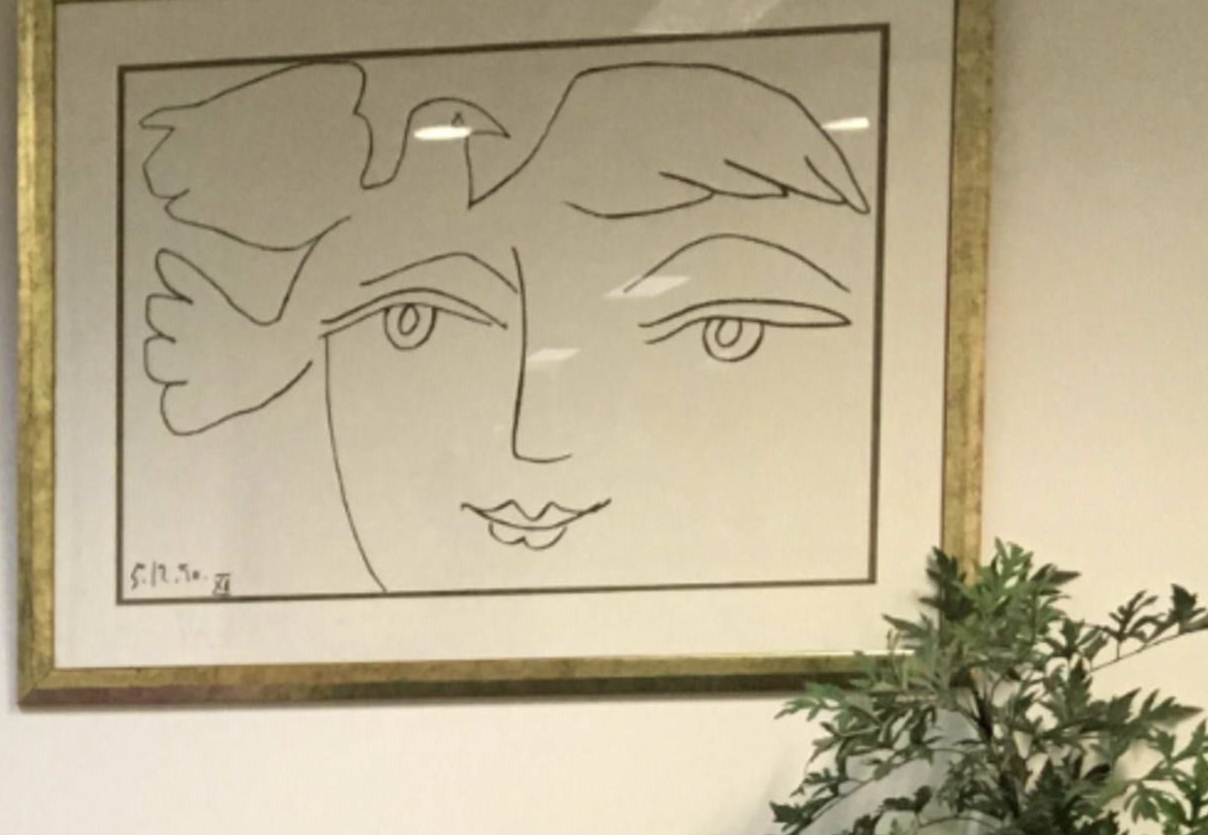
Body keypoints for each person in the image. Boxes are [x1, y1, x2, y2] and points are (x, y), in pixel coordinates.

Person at [137, 55, 877, 595]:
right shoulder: (388, 205)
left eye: (727, 330)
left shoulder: (470, 207)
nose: (533, 441)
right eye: (412, 321)